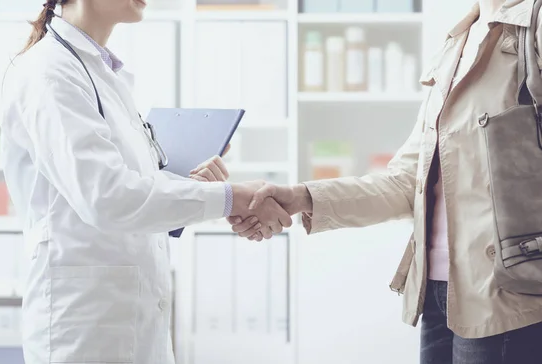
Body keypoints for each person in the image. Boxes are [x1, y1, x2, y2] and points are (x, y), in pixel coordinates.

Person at [231, 0, 542, 362]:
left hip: (509, 293)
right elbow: (405, 182)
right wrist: (301, 197)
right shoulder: (458, 40)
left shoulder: (533, 22)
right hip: (439, 292)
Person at [0, 1, 292, 363]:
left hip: (130, 323)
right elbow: (107, 197)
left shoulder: (103, 73)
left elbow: (132, 188)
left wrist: (191, 186)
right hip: (85, 328)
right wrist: (230, 198)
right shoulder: (50, 72)